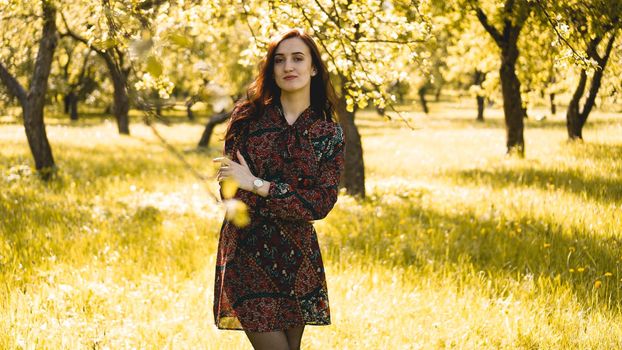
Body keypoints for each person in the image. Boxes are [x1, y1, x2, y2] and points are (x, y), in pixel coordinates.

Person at [212, 28, 345, 350]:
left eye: (298, 58)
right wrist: (291, 195)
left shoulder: (327, 133)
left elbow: (320, 204)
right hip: (246, 251)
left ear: (313, 67)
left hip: (297, 258)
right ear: (271, 69)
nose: (289, 67)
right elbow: (231, 191)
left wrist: (258, 184)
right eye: (280, 60)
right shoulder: (246, 120)